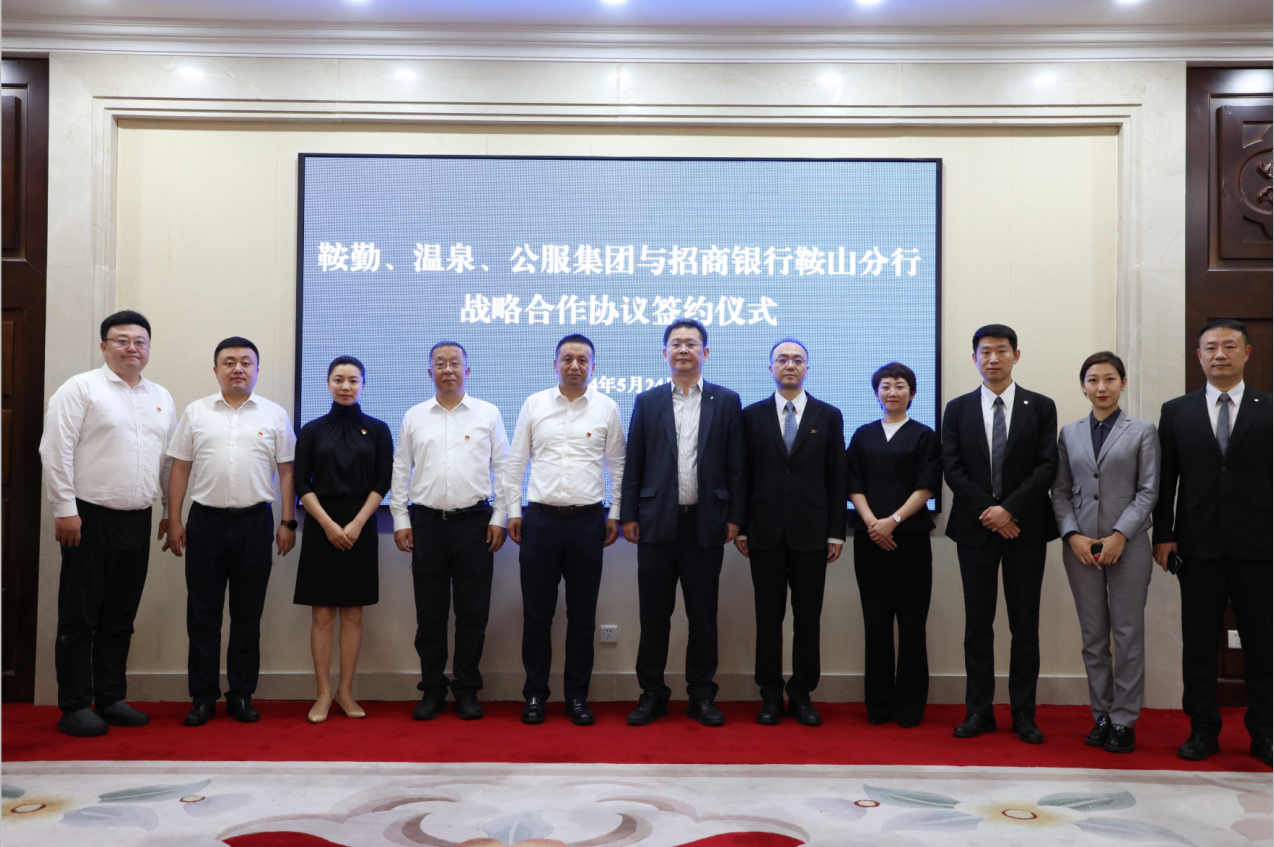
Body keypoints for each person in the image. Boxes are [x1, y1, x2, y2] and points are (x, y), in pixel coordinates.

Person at [38, 310, 178, 737]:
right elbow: (55, 450)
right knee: (81, 614)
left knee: (121, 614)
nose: (132, 348)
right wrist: (65, 508)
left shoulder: (161, 397)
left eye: (140, 341)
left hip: (138, 518)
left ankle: (111, 697)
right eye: (122, 340)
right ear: (104, 346)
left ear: (149, 348)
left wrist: (169, 512)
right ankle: (75, 705)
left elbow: (167, 462)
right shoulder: (81, 389)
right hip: (88, 517)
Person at [1153, 319, 1272, 766]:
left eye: (1229, 346)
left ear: (1247, 353)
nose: (1220, 354)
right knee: (1199, 643)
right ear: (1199, 356)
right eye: (1211, 347)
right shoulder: (1176, 411)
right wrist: (1163, 535)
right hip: (1197, 545)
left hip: (1259, 546)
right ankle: (1203, 730)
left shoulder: (1269, 408)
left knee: (1263, 643)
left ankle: (1265, 732)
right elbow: (1165, 480)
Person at [165, 337, 297, 726]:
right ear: (216, 369)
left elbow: (287, 471)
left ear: (256, 369)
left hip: (255, 523)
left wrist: (287, 522)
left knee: (247, 615)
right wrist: (174, 519)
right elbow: (180, 467)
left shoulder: (273, 414)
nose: (237, 368)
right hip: (204, 523)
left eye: (245, 362)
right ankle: (203, 697)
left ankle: (241, 694)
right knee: (202, 615)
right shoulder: (196, 412)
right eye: (229, 362)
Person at [621, 318, 746, 727]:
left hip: (705, 525)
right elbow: (635, 462)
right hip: (655, 523)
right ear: (665, 353)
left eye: (692, 344)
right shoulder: (648, 400)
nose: (684, 350)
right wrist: (628, 514)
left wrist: (735, 517)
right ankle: (652, 694)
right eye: (676, 344)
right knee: (654, 616)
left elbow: (736, 465)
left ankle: (701, 695)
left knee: (703, 617)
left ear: (705, 353)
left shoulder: (726, 401)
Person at [942, 323, 1058, 744]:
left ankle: (1024, 713)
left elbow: (1046, 466)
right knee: (978, 624)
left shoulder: (1040, 406)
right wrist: (991, 513)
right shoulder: (957, 408)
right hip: (975, 531)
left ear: (1016, 356)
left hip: (1025, 530)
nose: (993, 358)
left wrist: (1010, 510)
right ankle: (979, 711)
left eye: (1002, 350)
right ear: (974, 358)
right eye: (985, 351)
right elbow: (953, 468)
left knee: (1025, 625)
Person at [504, 334, 625, 726]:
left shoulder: (607, 408)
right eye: (567, 358)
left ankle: (576, 697)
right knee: (537, 616)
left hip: (588, 522)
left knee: (583, 617)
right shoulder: (534, 404)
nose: (575, 365)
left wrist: (615, 513)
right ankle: (535, 695)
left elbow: (617, 467)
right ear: (555, 364)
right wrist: (512, 511)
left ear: (593, 366)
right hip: (539, 521)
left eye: (582, 359)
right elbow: (516, 462)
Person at [391, 341, 509, 722]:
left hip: (476, 524)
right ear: (430, 372)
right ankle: (432, 689)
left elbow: (504, 469)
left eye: (455, 363)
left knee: (473, 613)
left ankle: (468, 689)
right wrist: (401, 520)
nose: (448, 369)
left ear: (467, 371)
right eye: (440, 364)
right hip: (427, 525)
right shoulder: (414, 416)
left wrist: (500, 517)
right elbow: (400, 470)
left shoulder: (487, 413)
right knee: (430, 614)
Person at [1051, 351, 1159, 754]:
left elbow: (1148, 491)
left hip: (1127, 546)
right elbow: (1060, 491)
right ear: (1083, 386)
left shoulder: (1143, 430)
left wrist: (1119, 535)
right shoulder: (1069, 433)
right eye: (1093, 379)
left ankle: (1124, 719)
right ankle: (1102, 714)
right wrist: (1072, 535)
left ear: (1123, 383)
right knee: (1093, 636)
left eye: (1110, 379)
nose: (1101, 387)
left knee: (1127, 634)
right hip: (1081, 548)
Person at [735, 339, 846, 727]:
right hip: (763, 532)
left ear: (807, 368)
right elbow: (742, 475)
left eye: (798, 359)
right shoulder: (751, 416)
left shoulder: (828, 415)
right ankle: (769, 695)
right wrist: (742, 527)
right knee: (768, 619)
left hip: (812, 533)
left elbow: (837, 476)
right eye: (782, 359)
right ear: (770, 368)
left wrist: (836, 533)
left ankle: (801, 694)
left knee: (807, 619)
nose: (790, 365)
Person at [293, 356, 393, 724]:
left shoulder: (378, 429)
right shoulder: (312, 430)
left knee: (353, 613)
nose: (346, 386)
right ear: (328, 384)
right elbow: (301, 482)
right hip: (321, 526)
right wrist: (328, 525)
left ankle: (345, 691)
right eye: (338, 379)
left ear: (363, 385)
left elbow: (383, 480)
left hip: (360, 527)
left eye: (353, 380)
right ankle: (322, 693)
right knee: (322, 614)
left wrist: (356, 524)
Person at [846, 362, 941, 728]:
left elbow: (927, 487)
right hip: (869, 540)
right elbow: (853, 483)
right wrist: (873, 523)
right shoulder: (863, 435)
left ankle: (911, 706)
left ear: (912, 393)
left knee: (912, 624)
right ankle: (879, 704)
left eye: (900, 385)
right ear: (876, 393)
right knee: (876, 623)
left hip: (911, 538)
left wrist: (893, 521)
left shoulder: (924, 436)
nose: (892, 392)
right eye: (885, 386)